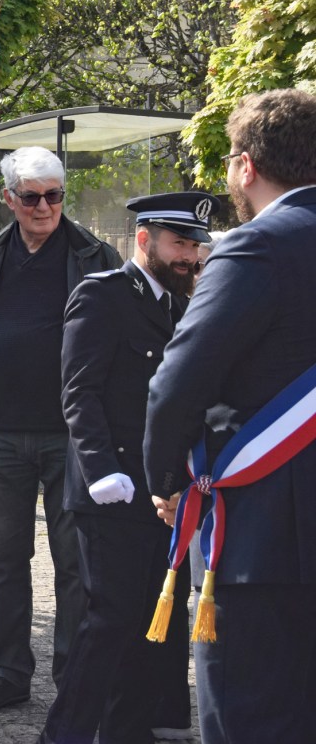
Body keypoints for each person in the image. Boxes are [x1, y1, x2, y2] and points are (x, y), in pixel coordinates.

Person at [144, 88, 316, 743]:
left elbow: (178, 383)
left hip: (266, 540)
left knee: (253, 718)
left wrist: (167, 481)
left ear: (246, 166)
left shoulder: (256, 247)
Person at [38, 191, 215, 744]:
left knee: (150, 624)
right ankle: (64, 735)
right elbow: (79, 392)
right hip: (111, 489)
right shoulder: (103, 294)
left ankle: (126, 732)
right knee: (108, 621)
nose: (189, 256)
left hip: (164, 493)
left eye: (194, 246)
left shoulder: (181, 307)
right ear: (144, 240)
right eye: (179, 244)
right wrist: (98, 470)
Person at [0, 146, 121, 712]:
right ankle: (10, 673)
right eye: (31, 197)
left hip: (71, 437)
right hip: (0, 432)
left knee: (74, 565)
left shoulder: (96, 255)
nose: (44, 207)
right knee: (6, 562)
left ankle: (72, 683)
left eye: (54, 195)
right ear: (9, 199)